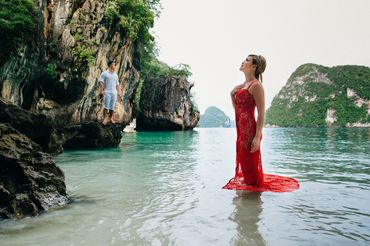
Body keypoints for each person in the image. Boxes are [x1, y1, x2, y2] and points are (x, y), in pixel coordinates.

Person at [223, 54, 299, 192]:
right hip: (241, 131)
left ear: (254, 66)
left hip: (250, 132)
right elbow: (237, 109)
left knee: (250, 170)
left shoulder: (256, 86)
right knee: (245, 167)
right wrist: (231, 94)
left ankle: (254, 203)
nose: (242, 61)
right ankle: (247, 206)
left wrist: (257, 137)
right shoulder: (243, 86)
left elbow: (261, 113)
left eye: (246, 60)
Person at [99, 61, 121, 125]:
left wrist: (119, 92)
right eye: (113, 65)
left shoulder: (115, 75)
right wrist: (102, 90)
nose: (114, 66)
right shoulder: (105, 73)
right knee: (106, 106)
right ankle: (105, 119)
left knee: (112, 106)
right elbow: (101, 82)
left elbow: (117, 84)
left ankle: (111, 118)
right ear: (110, 65)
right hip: (107, 92)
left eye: (114, 65)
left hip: (114, 92)